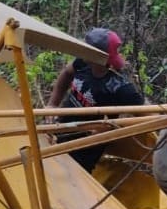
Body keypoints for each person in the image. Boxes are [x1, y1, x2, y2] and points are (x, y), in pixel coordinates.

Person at [47, 27, 143, 171]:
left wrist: (112, 128)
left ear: (97, 54)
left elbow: (148, 117)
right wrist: (52, 105)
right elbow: (66, 74)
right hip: (59, 132)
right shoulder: (82, 63)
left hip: (83, 151)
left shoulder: (119, 86)